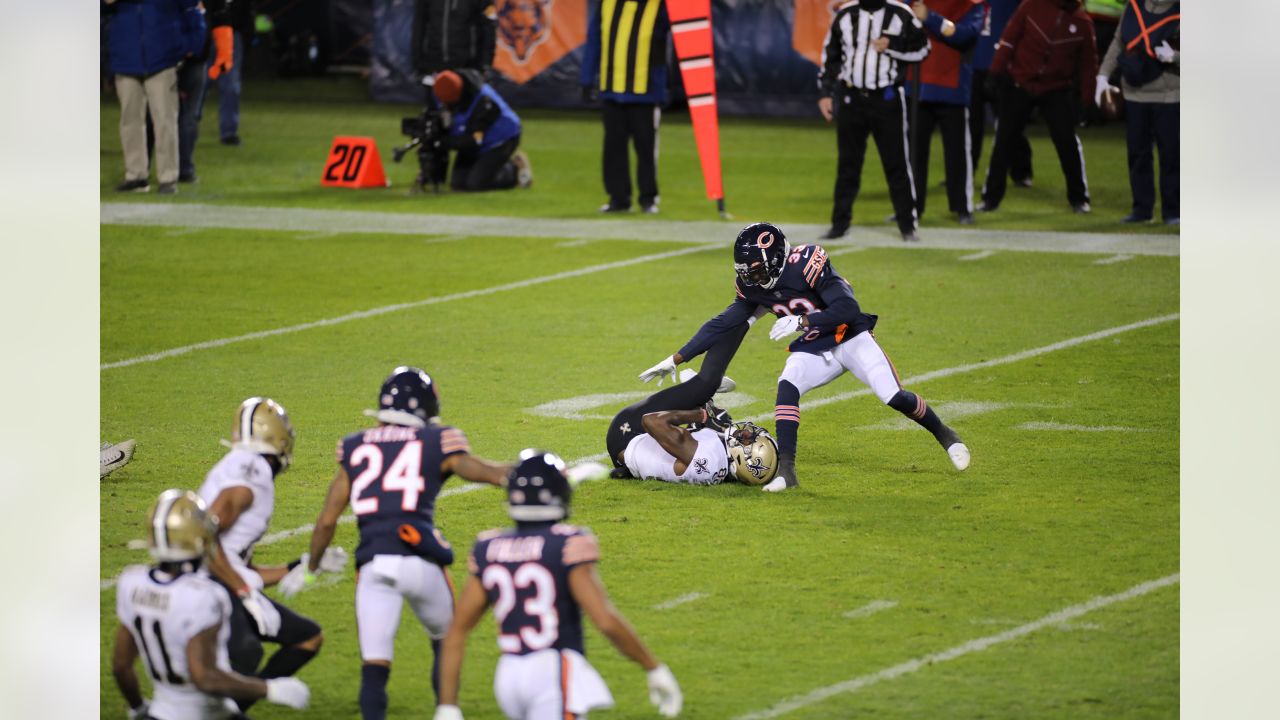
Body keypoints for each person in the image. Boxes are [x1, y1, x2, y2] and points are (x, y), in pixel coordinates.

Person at [639, 223, 970, 492]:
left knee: (891, 395)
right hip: (815, 345)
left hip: (850, 336)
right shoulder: (753, 286)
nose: (752, 277)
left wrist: (802, 321)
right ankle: (788, 472)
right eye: (746, 271)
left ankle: (944, 433)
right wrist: (676, 358)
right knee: (787, 384)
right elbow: (723, 323)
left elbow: (847, 308)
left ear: (776, 257)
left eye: (756, 269)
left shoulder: (807, 263)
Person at [282, 366, 510, 720]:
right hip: (421, 561)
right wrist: (538, 476)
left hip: (374, 567)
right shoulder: (438, 440)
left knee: (374, 667)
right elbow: (491, 474)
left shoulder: (355, 446)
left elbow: (327, 520)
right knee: (446, 643)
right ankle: (445, 710)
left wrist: (310, 569)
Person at [433, 449, 683, 720]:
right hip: (551, 671)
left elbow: (457, 630)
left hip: (507, 674)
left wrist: (447, 705)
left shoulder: (488, 546)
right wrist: (652, 667)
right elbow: (605, 620)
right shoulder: (568, 543)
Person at [112, 489, 311, 719]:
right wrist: (269, 689)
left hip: (160, 712)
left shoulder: (131, 582)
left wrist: (137, 707)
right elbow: (204, 676)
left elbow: (121, 665)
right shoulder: (204, 595)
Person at [197, 397, 335, 711]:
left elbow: (238, 563)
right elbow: (203, 537)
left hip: (220, 577)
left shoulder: (243, 464)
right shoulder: (252, 473)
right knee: (245, 653)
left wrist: (299, 566)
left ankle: (233, 707)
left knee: (308, 637)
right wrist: (242, 591)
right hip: (210, 585)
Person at [818, 0, 931, 243]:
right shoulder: (845, 14)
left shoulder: (901, 13)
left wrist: (892, 46)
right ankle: (839, 223)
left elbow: (923, 48)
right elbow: (831, 55)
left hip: (886, 98)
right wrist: (826, 93)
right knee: (848, 164)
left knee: (896, 164)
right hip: (851, 98)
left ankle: (907, 225)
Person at [978, 0, 1098, 214]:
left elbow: (1089, 64)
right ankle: (990, 199)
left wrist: (1087, 101)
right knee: (1004, 139)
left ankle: (1079, 198)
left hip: (1055, 88)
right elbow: (1009, 39)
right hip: (1020, 82)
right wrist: (995, 72)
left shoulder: (1082, 23)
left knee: (1066, 142)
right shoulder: (1032, 5)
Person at [103, 0, 205, 194]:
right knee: (130, 121)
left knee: (165, 120)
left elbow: (193, 9)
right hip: (125, 58)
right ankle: (136, 176)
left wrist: (190, 45)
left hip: (162, 60)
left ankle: (168, 177)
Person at [579, 0, 671, 214]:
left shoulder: (660, 5)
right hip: (612, 89)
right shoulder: (607, 3)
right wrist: (586, 78)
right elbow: (594, 38)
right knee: (613, 147)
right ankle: (618, 199)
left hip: (645, 90)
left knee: (646, 148)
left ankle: (648, 198)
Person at [1095, 0, 1179, 225]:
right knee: (1138, 154)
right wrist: (1102, 75)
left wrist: (1176, 57)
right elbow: (1118, 42)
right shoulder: (1133, 6)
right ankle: (1142, 209)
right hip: (1134, 92)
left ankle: (1173, 211)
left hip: (1168, 94)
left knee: (1171, 155)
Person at [903, 0, 986, 225]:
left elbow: (965, 35)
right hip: (917, 87)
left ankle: (963, 207)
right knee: (913, 154)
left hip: (953, 88)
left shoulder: (970, 4)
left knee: (957, 154)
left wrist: (930, 18)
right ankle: (909, 209)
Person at [432, 69, 532, 191]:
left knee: (477, 184)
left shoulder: (484, 103)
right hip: (468, 135)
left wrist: (440, 142)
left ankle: (514, 169)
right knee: (458, 184)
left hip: (500, 139)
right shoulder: (442, 88)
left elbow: (474, 141)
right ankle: (485, 168)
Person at [968, 0, 1033, 187]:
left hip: (1002, 68)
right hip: (972, 66)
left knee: (1009, 123)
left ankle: (1021, 171)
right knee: (970, 125)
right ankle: (965, 172)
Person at [178, 0, 234, 182]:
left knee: (189, 117)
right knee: (162, 117)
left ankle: (183, 168)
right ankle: (148, 170)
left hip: (194, 58)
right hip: (167, 58)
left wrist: (224, 53)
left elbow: (220, 15)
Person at [201, 0, 253, 146]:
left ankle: (229, 132)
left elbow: (246, 10)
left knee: (230, 85)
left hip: (230, 34)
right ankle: (187, 125)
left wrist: (246, 33)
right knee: (200, 83)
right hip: (205, 31)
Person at [411, 0, 496, 79]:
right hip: (433, 68)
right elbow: (419, 26)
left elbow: (489, 27)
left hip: (468, 69)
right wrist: (418, 64)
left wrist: (486, 64)